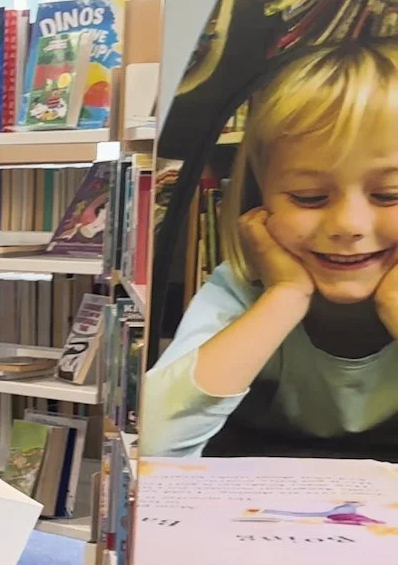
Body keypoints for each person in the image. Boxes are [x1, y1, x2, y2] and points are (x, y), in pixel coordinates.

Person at [144, 42, 398, 460]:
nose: (349, 226)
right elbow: (153, 443)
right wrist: (284, 297)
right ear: (260, 199)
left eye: (388, 195)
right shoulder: (244, 287)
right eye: (310, 197)